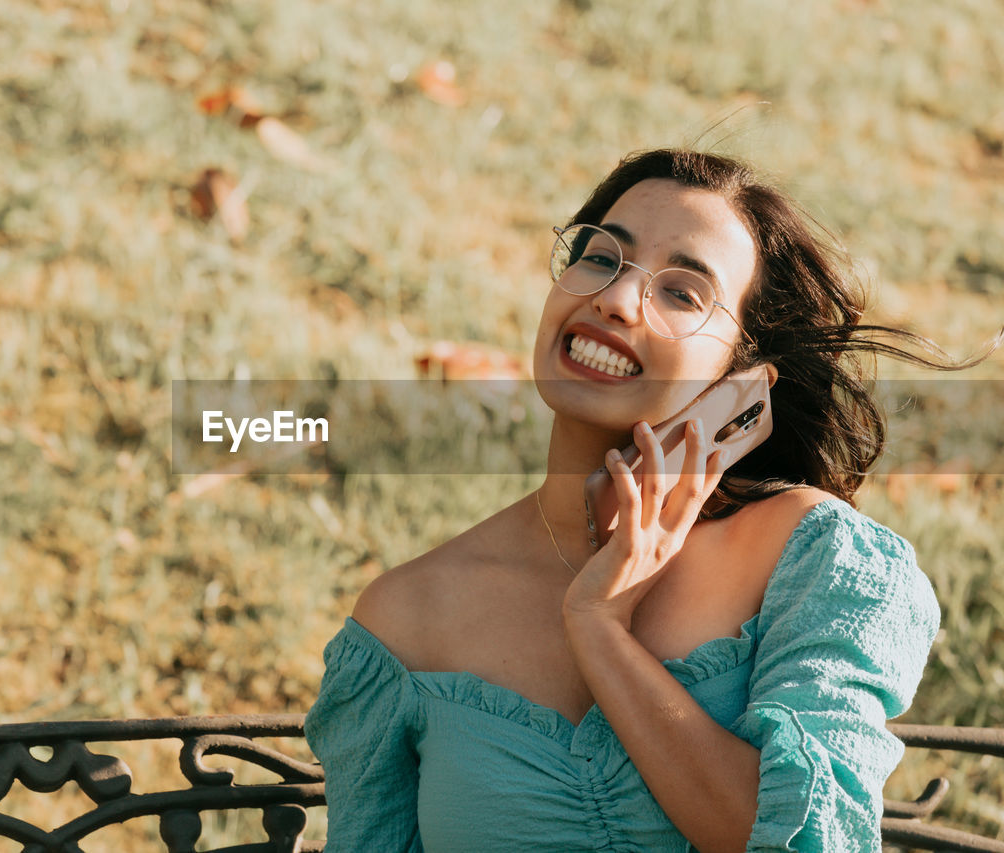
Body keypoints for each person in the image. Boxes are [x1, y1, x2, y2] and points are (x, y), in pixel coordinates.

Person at [303, 148, 1000, 852]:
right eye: (600, 256)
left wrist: (600, 625)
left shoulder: (814, 559)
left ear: (743, 376)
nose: (614, 297)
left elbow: (815, 840)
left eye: (682, 292)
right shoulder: (407, 617)